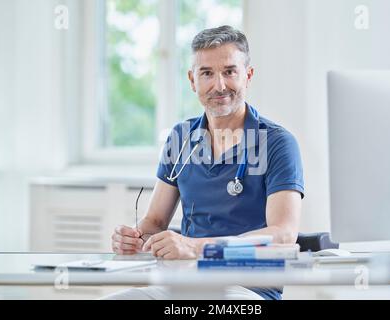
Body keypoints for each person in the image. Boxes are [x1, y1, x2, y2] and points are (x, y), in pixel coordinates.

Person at [106, 25, 304, 300]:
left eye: (229, 72)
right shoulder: (181, 138)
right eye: (207, 73)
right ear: (192, 80)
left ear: (248, 75)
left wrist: (196, 248)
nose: (219, 85)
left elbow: (283, 235)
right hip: (183, 285)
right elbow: (155, 221)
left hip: (247, 288)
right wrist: (134, 237)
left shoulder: (278, 143)